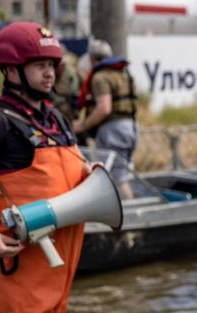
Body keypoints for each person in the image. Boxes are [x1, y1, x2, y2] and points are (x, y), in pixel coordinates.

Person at [0, 21, 95, 313]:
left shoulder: (56, 120)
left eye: (52, 63)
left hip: (57, 264)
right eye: (38, 64)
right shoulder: (0, 122)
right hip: (17, 266)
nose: (50, 72)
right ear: (10, 69)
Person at [72, 38, 138, 199]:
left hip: (113, 131)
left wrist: (82, 125)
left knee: (116, 178)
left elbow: (104, 108)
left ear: (92, 58)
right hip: (131, 127)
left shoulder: (100, 77)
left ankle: (129, 213)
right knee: (123, 173)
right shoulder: (122, 72)